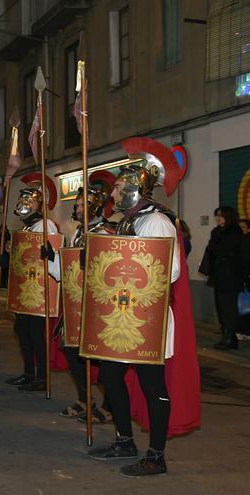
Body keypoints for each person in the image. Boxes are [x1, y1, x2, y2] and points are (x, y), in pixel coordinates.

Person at [87, 137, 201, 477]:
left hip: (148, 318)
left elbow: (172, 269)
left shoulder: (157, 222)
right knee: (110, 374)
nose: (113, 193)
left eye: (119, 186)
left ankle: (157, 454)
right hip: (123, 313)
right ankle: (124, 439)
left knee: (154, 385)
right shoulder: (126, 220)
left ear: (136, 187)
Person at [59, 171, 117, 423]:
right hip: (76, 304)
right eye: (78, 203)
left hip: (99, 306)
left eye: (84, 204)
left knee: (103, 358)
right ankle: (85, 399)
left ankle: (110, 405)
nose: (78, 207)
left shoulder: (105, 232)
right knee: (72, 351)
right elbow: (69, 271)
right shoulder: (78, 232)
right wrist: (53, 258)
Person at [4, 173, 60, 392]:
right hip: (24, 288)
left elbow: (50, 256)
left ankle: (42, 376)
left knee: (37, 335)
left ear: (40, 204)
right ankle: (28, 372)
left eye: (30, 199)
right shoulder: (27, 228)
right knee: (22, 331)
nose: (25, 203)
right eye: (23, 199)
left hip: (40, 290)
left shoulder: (46, 225)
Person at [206, 206, 243, 350]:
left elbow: (222, 250)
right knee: (221, 306)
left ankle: (229, 337)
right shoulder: (217, 231)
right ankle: (228, 337)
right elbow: (212, 249)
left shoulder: (234, 232)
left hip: (231, 277)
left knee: (229, 308)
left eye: (221, 215)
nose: (218, 218)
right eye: (217, 215)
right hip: (219, 276)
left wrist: (215, 246)